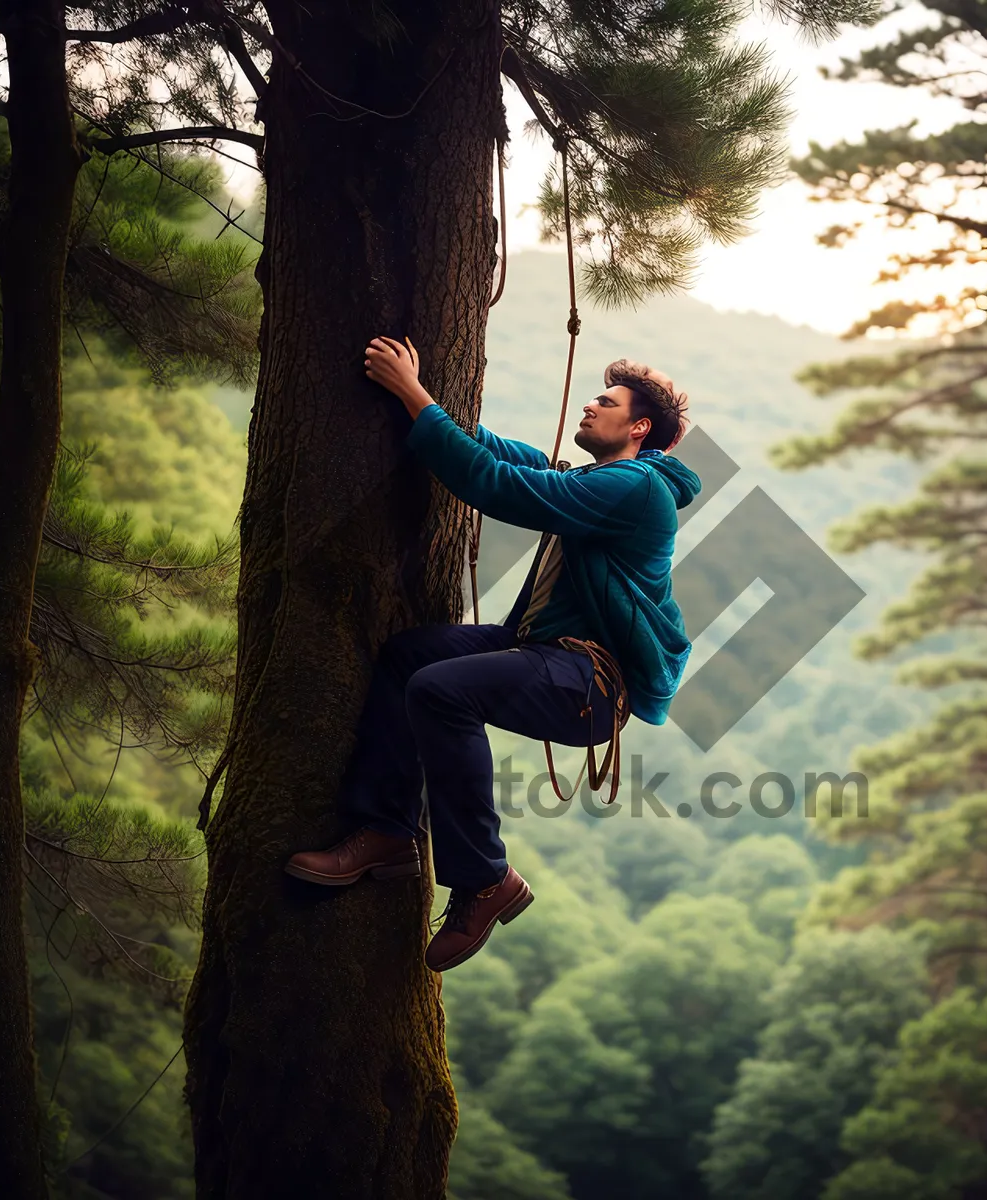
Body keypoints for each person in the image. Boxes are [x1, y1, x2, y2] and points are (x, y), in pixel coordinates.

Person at [285, 334, 701, 972]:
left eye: (605, 400)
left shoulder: (636, 488)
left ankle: (485, 878)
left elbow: (504, 488)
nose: (589, 406)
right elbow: (512, 457)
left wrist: (412, 394)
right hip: (539, 650)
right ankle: (390, 832)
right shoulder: (600, 478)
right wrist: (431, 409)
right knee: (409, 658)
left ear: (638, 426)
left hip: (587, 680)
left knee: (439, 690)